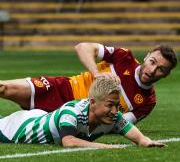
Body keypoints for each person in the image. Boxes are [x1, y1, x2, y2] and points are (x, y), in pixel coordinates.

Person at [0, 43, 177, 124]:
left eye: (161, 69)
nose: (153, 70)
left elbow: (118, 124)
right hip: (63, 90)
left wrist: (106, 103)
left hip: (78, 120)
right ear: (146, 56)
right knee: (4, 88)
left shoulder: (148, 101)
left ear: (166, 74)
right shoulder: (124, 57)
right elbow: (82, 47)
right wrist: (98, 75)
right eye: (152, 62)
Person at [0, 77, 165, 148]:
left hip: (39, 116)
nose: (115, 111)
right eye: (110, 105)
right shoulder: (71, 112)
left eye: (117, 105)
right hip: (13, 129)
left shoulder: (112, 115)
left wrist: (145, 141)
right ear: (93, 102)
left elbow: (134, 134)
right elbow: (69, 142)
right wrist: (108, 147)